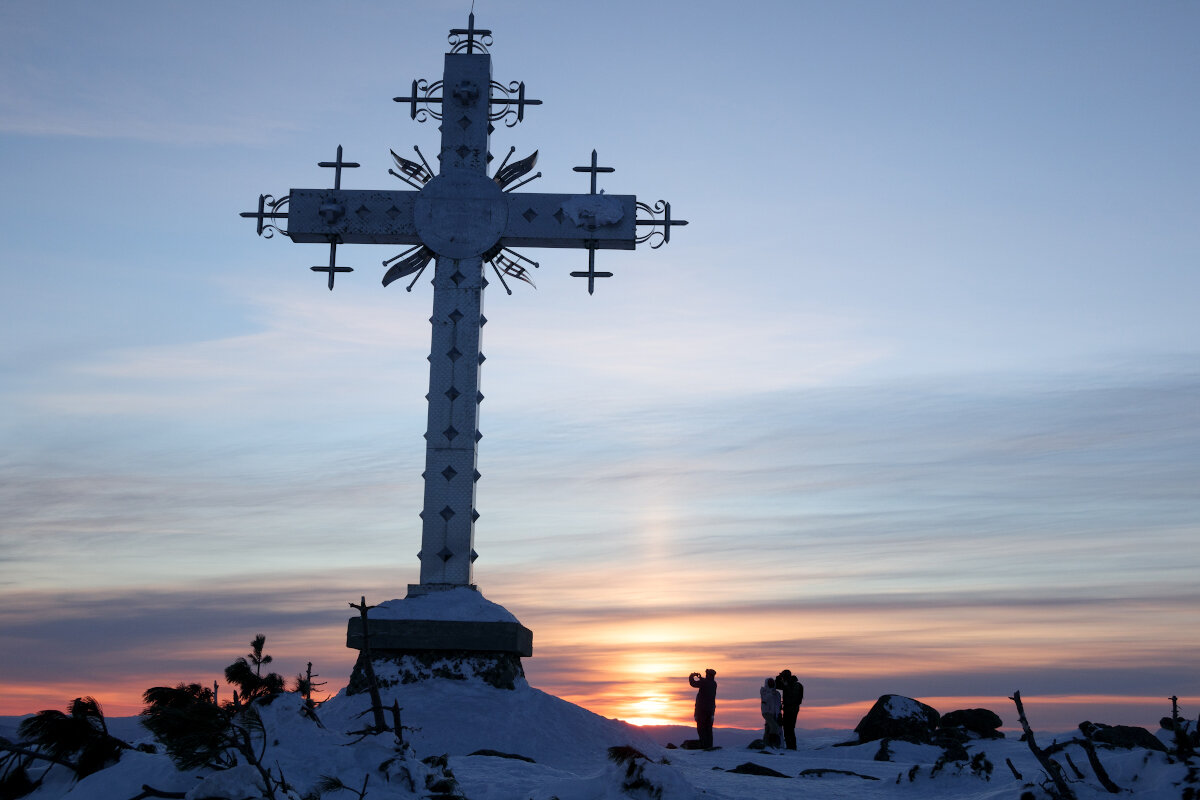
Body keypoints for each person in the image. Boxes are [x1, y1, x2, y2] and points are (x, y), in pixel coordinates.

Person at [776, 669, 804, 749]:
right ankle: (791, 746)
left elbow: (793, 696)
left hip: (791, 709)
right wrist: (779, 677)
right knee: (788, 728)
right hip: (790, 709)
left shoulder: (794, 685)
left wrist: (782, 681)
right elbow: (777, 685)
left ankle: (791, 747)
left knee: (789, 728)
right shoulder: (789, 684)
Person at [688, 669, 717, 749]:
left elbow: (693, 684)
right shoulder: (714, 684)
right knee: (708, 729)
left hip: (701, 709)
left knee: (701, 728)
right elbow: (706, 682)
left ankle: (703, 745)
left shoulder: (704, 683)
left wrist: (691, 676)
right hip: (710, 710)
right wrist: (701, 678)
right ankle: (709, 745)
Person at [760, 677, 782, 749]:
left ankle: (765, 743)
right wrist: (771, 693)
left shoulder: (777, 693)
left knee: (768, 728)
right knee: (774, 727)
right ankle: (772, 743)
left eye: (772, 682)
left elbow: (778, 704)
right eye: (770, 682)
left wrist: (778, 713)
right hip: (766, 712)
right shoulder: (764, 691)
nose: (771, 684)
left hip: (775, 713)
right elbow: (765, 699)